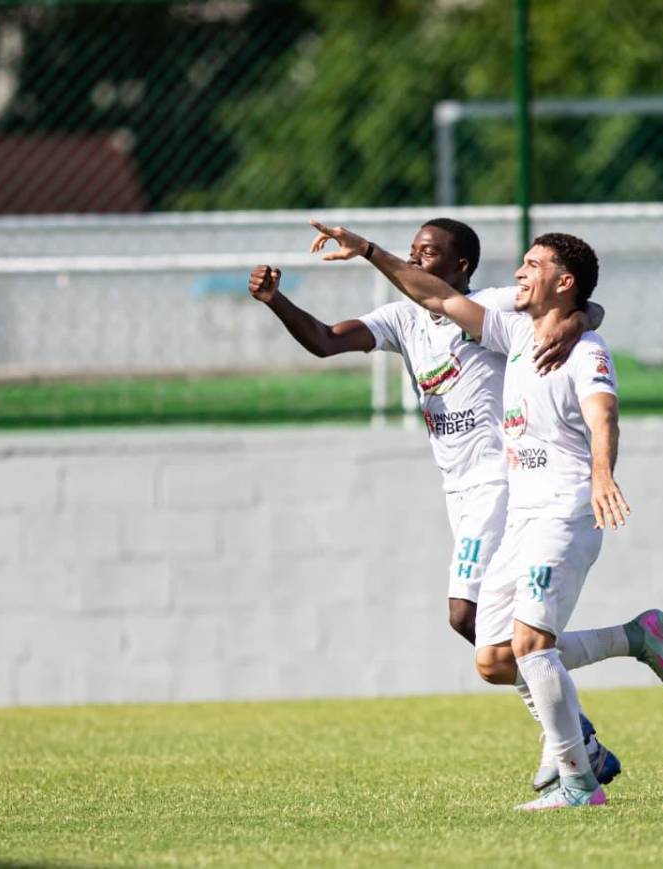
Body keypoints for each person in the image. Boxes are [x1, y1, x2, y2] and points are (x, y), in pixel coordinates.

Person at [309, 220, 663, 810]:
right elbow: (426, 299)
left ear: (560, 283)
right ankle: (633, 640)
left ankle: (578, 777)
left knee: (528, 642)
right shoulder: (512, 331)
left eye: (531, 266)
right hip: (513, 514)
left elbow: (603, 413)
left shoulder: (580, 345)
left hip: (551, 508)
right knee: (492, 658)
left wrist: (603, 471)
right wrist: (366, 253)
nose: (518, 273)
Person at [248, 218, 622, 793]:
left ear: (461, 267)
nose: (418, 258)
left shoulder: (496, 302)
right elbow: (326, 341)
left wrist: (575, 320)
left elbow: (580, 307)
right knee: (489, 637)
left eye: (430, 252)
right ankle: (599, 691)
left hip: (503, 482)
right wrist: (277, 302)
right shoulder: (402, 318)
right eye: (414, 250)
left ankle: (574, 744)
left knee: (469, 619)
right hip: (459, 489)